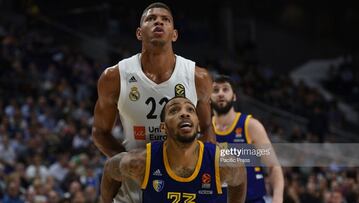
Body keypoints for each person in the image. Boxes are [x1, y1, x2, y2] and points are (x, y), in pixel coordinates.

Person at [92, 2, 215, 202]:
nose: (158, 21)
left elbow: (208, 128)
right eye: (151, 19)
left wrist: (185, 166)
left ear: (174, 34)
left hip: (181, 185)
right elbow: (99, 132)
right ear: (139, 33)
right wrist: (128, 162)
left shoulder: (197, 77)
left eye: (165, 19)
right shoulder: (114, 77)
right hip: (132, 191)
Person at [100, 96, 247, 203]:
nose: (184, 113)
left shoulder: (222, 163)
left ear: (198, 125)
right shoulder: (141, 162)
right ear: (163, 127)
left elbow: (240, 179)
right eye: (174, 110)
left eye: (190, 109)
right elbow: (110, 168)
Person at [211, 75, 284, 203]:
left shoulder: (250, 125)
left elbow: (273, 166)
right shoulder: (204, 128)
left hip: (251, 199)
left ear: (234, 96)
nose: (220, 94)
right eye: (215, 90)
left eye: (225, 89)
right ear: (209, 97)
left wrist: (278, 198)